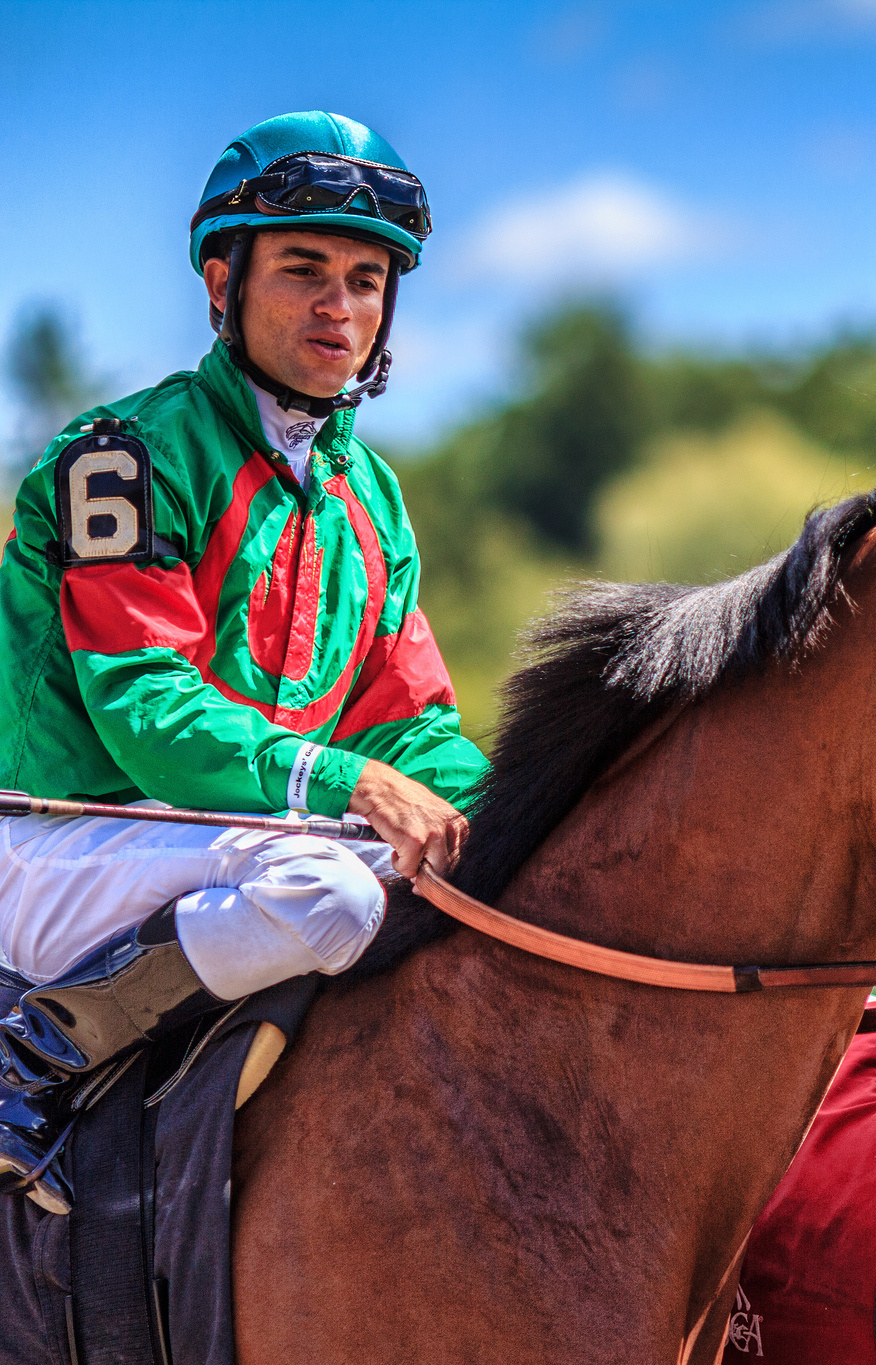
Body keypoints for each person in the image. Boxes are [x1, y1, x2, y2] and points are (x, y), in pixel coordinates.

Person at [0, 112, 485, 1214]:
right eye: (304, 270)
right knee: (330, 892)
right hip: (70, 838)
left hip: (226, 843)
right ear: (223, 282)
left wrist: (530, 817)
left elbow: (406, 723)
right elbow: (146, 707)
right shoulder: (118, 458)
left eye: (366, 280)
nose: (339, 307)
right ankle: (32, 1049)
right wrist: (346, 781)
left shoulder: (373, 496)